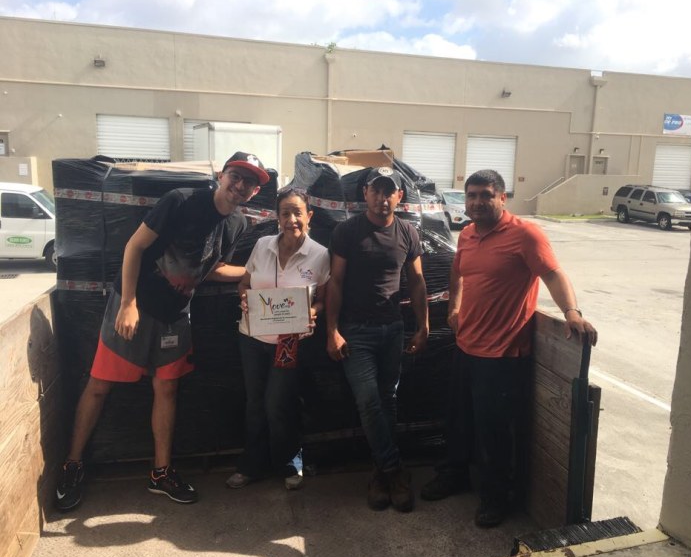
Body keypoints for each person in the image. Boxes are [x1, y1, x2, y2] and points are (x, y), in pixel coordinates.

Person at [54, 152, 269, 511]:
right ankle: (72, 465)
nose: (241, 186)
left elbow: (212, 268)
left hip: (176, 316)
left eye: (251, 182)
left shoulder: (237, 225)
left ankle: (161, 473)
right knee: (99, 385)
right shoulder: (181, 201)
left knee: (166, 388)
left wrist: (259, 277)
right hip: (136, 307)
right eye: (237, 176)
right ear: (221, 174)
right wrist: (128, 304)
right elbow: (134, 247)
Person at [420, 169, 598, 528]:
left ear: (503, 198)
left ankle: (495, 497)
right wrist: (454, 308)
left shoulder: (525, 234)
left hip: (501, 355)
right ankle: (455, 474)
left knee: (495, 431)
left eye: (486, 195)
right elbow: (458, 273)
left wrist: (571, 313)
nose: (477, 202)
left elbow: (552, 274)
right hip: (466, 346)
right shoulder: (468, 234)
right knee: (459, 420)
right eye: (471, 196)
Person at [326, 166, 429, 513]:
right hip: (356, 331)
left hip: (393, 329)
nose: (382, 198)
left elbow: (416, 282)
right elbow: (335, 282)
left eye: (390, 192)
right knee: (369, 401)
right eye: (376, 191)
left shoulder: (408, 232)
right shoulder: (347, 231)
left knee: (388, 400)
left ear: (400, 196)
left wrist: (423, 325)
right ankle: (395, 470)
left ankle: (379, 474)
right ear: (365, 193)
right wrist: (332, 330)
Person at [226, 188, 330, 491]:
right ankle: (251, 466)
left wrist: (313, 311)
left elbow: (323, 299)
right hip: (252, 337)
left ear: (309, 216)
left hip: (290, 341)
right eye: (285, 213)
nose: (292, 219)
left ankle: (290, 463)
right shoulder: (262, 246)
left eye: (298, 212)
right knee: (255, 404)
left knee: (278, 405)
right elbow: (244, 284)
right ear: (277, 217)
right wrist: (245, 299)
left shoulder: (320, 255)